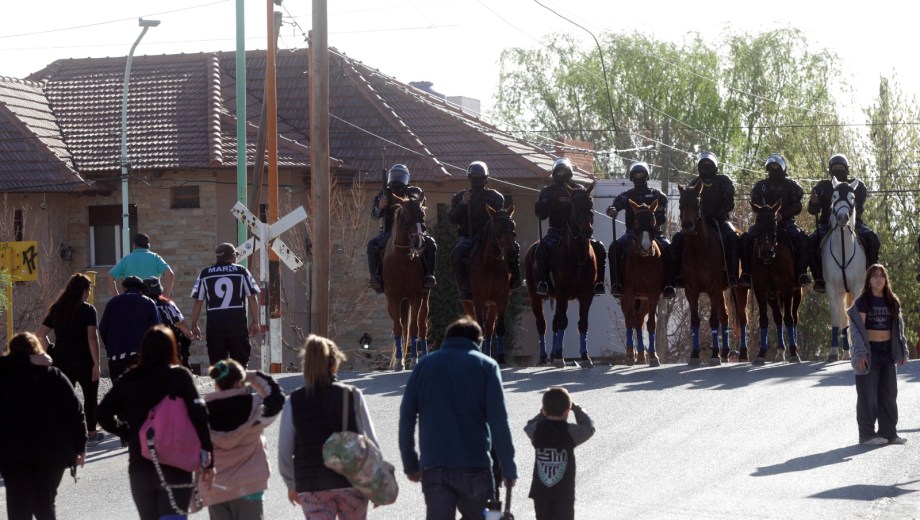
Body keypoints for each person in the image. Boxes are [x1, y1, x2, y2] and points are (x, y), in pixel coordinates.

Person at [399, 317, 517, 519]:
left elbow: (407, 416)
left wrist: (410, 462)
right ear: (477, 341)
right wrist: (508, 466)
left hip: (434, 465)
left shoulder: (423, 366)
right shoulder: (486, 366)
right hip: (475, 464)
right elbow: (499, 421)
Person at [97, 325, 214, 520]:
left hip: (140, 464)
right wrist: (209, 460)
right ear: (172, 348)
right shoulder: (179, 377)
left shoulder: (129, 379)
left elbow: (102, 413)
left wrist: (127, 432)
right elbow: (199, 416)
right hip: (177, 465)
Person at [278, 335, 380, 519]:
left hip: (311, 485)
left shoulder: (294, 401)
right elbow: (371, 441)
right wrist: (374, 481)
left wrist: (291, 483)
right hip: (351, 482)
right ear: (334, 365)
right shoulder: (352, 395)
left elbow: (285, 451)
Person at [0, 332, 87, 520]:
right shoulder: (53, 375)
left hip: (11, 453)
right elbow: (75, 412)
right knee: (44, 503)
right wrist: (80, 447)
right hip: (52, 452)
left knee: (18, 505)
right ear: (36, 350)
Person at [200, 359, 285, 519]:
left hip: (215, 488)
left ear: (216, 384)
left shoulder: (202, 414)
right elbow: (276, 397)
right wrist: (253, 376)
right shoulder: (256, 406)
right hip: (249, 486)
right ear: (241, 381)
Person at [35, 273, 105, 448]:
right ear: (83, 291)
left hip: (61, 360)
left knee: (64, 397)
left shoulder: (57, 309)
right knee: (90, 397)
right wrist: (97, 363)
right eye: (88, 290)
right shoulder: (88, 310)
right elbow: (92, 337)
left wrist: (50, 348)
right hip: (84, 361)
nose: (88, 293)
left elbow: (39, 334)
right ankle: (91, 433)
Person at [848, 264, 909, 446]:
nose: (878, 278)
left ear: (885, 279)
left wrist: (903, 350)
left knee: (889, 394)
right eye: (874, 275)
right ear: (869, 280)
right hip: (869, 354)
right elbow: (856, 330)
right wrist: (860, 353)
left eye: (881, 275)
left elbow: (899, 329)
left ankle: (889, 433)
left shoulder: (892, 301)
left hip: (887, 352)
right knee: (868, 396)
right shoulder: (863, 302)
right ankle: (866, 435)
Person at [449, 160, 522, 301]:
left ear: (486, 178)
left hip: (490, 238)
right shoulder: (459, 197)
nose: (477, 179)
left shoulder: (495, 197)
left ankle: (515, 280)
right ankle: (464, 288)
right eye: (474, 176)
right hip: (468, 238)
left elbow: (500, 219)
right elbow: (452, 220)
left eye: (480, 176)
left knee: (514, 247)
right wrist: (463, 203)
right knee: (456, 254)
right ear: (469, 177)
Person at [807, 153, 881, 293]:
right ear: (830, 170)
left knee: (873, 238)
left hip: (853, 224)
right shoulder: (822, 186)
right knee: (809, 241)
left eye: (841, 167)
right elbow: (812, 210)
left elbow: (859, 206)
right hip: (827, 225)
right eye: (835, 167)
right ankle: (819, 279)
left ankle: (871, 275)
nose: (838, 169)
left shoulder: (857, 185)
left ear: (847, 169)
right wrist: (813, 202)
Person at [534, 158, 606, 297]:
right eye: (558, 171)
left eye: (563, 171)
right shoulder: (547, 191)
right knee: (541, 249)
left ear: (569, 172)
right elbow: (542, 215)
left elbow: (587, 210)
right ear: (554, 173)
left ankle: (599, 283)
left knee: (600, 248)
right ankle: (544, 282)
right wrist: (540, 208)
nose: (561, 174)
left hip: (577, 233)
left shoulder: (579, 189)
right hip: (556, 231)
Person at [738, 154, 813, 287]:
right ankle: (746, 273)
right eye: (771, 167)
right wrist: (765, 214)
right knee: (746, 238)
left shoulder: (791, 186)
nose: (774, 169)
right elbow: (755, 202)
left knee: (802, 238)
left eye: (776, 166)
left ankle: (801, 273)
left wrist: (782, 215)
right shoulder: (761, 186)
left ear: (782, 168)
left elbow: (797, 206)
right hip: (764, 224)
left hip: (786, 223)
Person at [606, 161, 675, 299]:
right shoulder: (626, 195)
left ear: (646, 176)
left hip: (654, 234)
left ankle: (668, 285)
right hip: (631, 235)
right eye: (636, 175)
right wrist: (612, 210)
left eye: (641, 174)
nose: (639, 177)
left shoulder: (658, 196)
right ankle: (617, 285)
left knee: (670, 248)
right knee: (614, 247)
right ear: (632, 177)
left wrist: (654, 223)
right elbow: (615, 205)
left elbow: (662, 217)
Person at [670, 151, 740, 287]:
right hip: (698, 222)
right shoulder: (694, 183)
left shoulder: (723, 180)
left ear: (715, 166)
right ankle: (677, 276)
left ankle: (732, 275)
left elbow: (730, 203)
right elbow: (687, 205)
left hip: (720, 220)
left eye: (709, 165)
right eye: (704, 165)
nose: (707, 168)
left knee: (734, 238)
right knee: (677, 239)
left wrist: (716, 214)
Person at [524, 387, 595, 520]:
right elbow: (589, 427)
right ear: (567, 411)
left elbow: (529, 425)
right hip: (564, 491)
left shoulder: (537, 430)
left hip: (541, 491)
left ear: (544, 410)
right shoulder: (570, 432)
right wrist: (577, 408)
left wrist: (542, 414)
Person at [366, 163, 438, 292]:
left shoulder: (414, 191)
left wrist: (408, 201)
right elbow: (375, 216)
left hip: (412, 230)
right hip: (388, 231)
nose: (397, 178)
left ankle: (429, 275)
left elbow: (419, 203)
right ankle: (376, 277)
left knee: (431, 244)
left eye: (400, 176)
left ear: (406, 178)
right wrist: (380, 207)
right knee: (372, 245)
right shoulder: (382, 194)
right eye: (395, 175)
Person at [190, 243, 261, 368]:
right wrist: (255, 321)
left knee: (218, 367)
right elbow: (252, 297)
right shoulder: (241, 271)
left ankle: (222, 387)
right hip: (237, 326)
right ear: (232, 256)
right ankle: (238, 386)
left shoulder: (205, 273)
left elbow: (198, 301)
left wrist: (194, 324)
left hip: (215, 328)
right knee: (240, 366)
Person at [98, 275, 161, 381]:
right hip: (140, 356)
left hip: (115, 357)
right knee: (139, 394)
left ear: (124, 288)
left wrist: (110, 347)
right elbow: (157, 331)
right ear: (141, 290)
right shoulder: (149, 303)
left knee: (120, 394)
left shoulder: (112, 303)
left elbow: (103, 328)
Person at [144, 276, 195, 372]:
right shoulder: (167, 303)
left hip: (148, 346)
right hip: (168, 344)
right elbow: (180, 323)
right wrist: (190, 335)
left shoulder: (141, 306)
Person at [107, 233, 176, 298]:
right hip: (154, 299)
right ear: (148, 245)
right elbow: (170, 275)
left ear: (134, 244)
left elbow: (110, 277)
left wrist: (117, 297)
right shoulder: (155, 257)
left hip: (132, 300)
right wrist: (165, 295)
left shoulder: (126, 259)